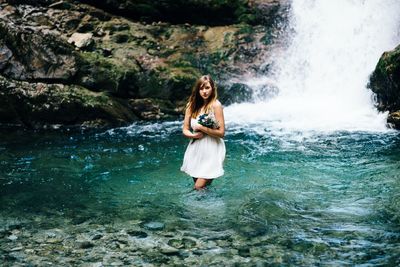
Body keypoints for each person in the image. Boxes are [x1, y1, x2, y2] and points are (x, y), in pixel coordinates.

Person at [180, 75, 226, 190]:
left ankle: (195, 206)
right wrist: (193, 135)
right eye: (201, 88)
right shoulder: (192, 105)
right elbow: (185, 129)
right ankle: (208, 205)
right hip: (196, 149)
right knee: (202, 187)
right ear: (197, 90)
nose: (204, 91)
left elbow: (221, 133)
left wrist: (203, 128)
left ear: (212, 88)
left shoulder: (216, 105)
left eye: (207, 88)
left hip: (212, 148)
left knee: (198, 186)